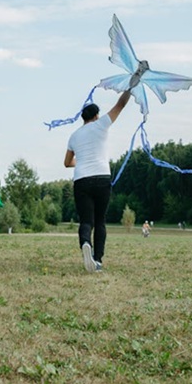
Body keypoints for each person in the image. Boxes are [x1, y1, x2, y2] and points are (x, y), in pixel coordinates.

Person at [64, 88, 134, 272]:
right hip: (102, 177)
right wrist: (131, 86)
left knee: (86, 221)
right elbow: (121, 104)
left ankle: (86, 243)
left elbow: (67, 163)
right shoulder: (101, 124)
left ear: (83, 118)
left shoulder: (74, 136)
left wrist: (82, 162)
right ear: (96, 116)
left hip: (82, 180)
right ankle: (98, 260)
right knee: (100, 221)